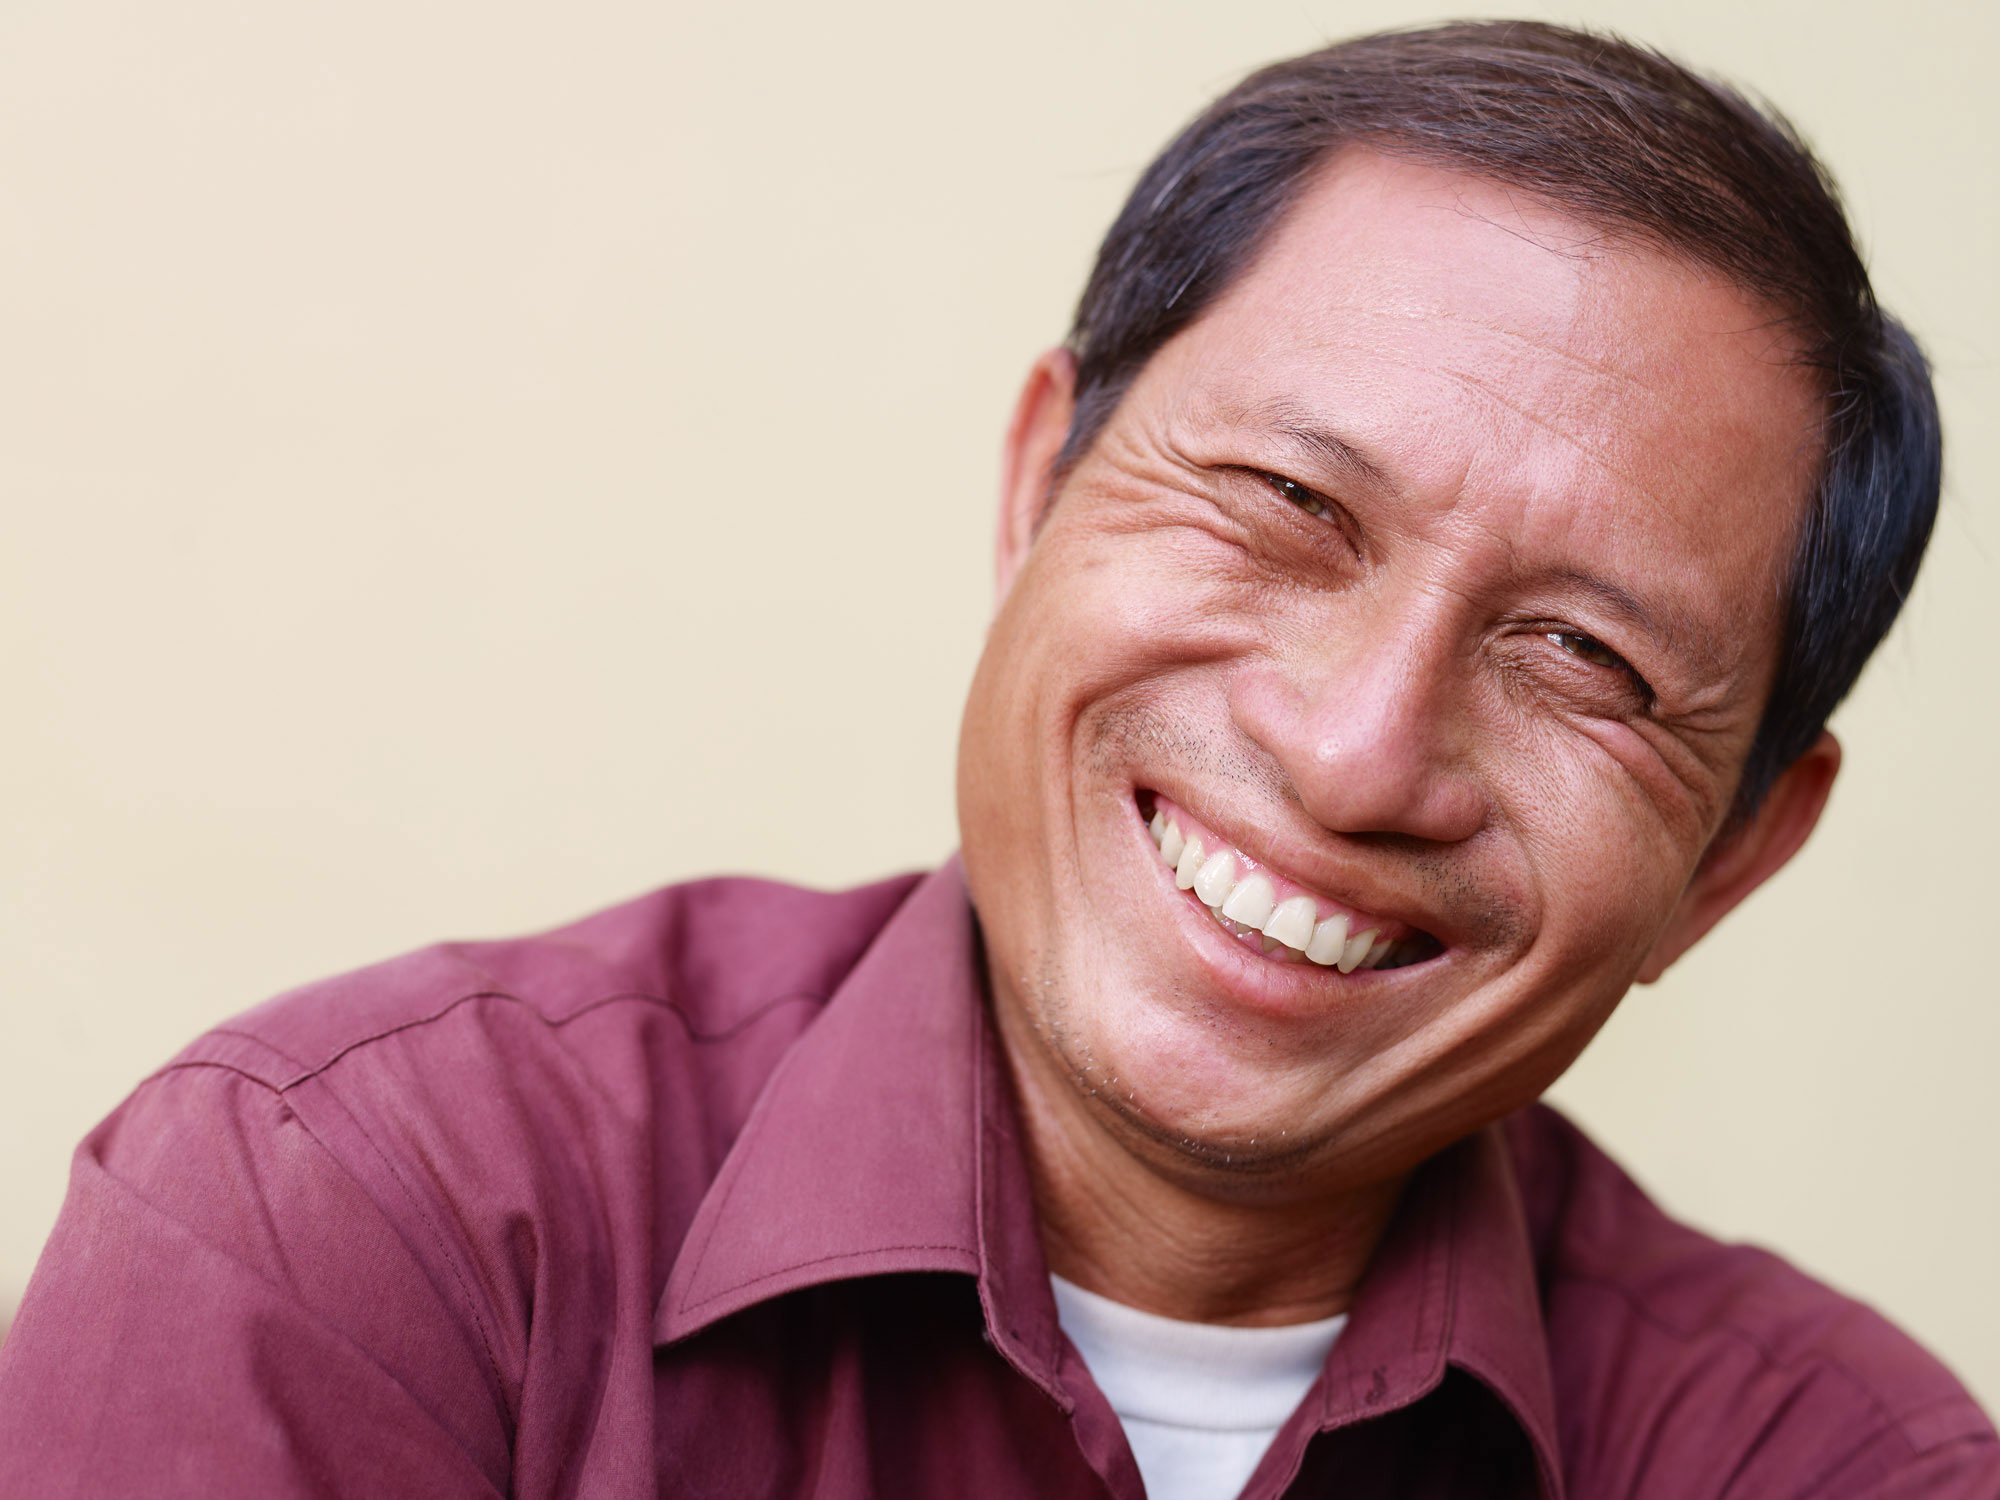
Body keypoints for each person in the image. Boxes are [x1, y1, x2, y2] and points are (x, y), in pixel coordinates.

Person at [0, 19, 1991, 1499]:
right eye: (1290, 503)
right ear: (1042, 480)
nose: (1358, 747)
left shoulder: (1830, 1468)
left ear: (1732, 859)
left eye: (1577, 658)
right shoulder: (370, 1222)